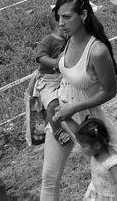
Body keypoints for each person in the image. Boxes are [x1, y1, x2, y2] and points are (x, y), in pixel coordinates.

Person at [40, 0, 117, 201]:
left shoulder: (97, 51)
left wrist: (73, 108)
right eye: (58, 17)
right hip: (61, 115)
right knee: (49, 178)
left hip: (87, 122)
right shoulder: (68, 40)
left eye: (67, 17)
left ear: (84, 15)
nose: (60, 22)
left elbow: (110, 90)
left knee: (106, 179)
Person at [34, 9, 68, 143]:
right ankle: (57, 131)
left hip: (63, 77)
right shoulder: (48, 40)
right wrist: (55, 62)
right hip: (49, 80)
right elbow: (40, 57)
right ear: (60, 23)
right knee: (52, 104)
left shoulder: (69, 39)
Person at [74, 117, 117, 201]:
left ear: (97, 145)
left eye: (84, 146)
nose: (81, 149)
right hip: (96, 193)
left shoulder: (112, 162)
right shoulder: (95, 153)